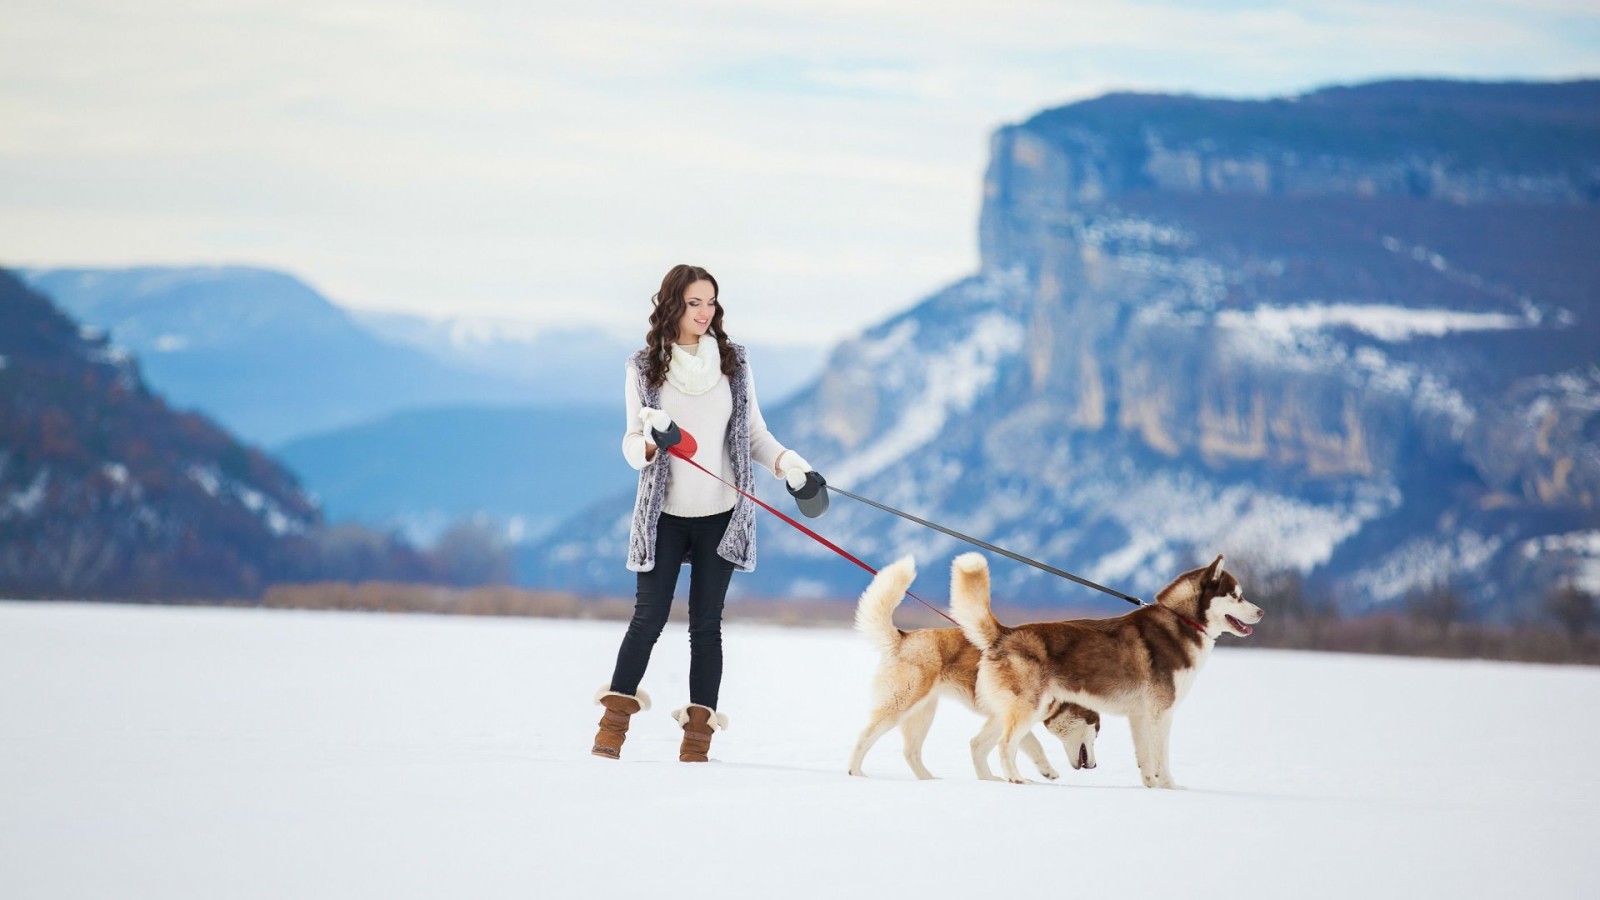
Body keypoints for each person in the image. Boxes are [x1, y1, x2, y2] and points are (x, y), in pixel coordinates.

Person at [591, 263, 818, 763]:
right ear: (672, 304)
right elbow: (631, 443)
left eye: (711, 302)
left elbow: (754, 434)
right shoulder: (644, 366)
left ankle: (697, 742)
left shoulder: (733, 363)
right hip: (664, 516)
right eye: (694, 302)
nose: (704, 311)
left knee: (706, 625)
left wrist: (790, 466)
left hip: (722, 514)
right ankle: (611, 730)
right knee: (647, 619)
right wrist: (652, 441)